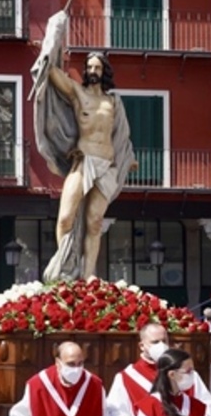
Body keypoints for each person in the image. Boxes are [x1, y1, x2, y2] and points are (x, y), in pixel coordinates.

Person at [33, 31, 136, 281]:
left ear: (104, 71)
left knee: (94, 222)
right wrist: (53, 37)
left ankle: (88, 277)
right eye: (89, 66)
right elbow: (51, 70)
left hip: (107, 164)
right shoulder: (78, 93)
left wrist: (127, 158)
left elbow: (121, 134)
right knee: (66, 217)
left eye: (96, 67)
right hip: (84, 160)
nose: (92, 70)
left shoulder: (113, 102)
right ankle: (65, 267)